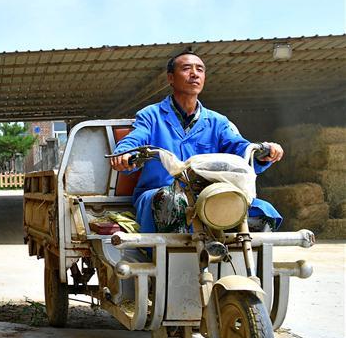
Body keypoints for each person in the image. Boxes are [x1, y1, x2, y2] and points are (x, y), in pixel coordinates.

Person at [109, 51, 284, 233]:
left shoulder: (218, 122)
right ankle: (174, 259)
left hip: (208, 194)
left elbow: (238, 147)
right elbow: (135, 138)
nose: (194, 73)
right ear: (171, 78)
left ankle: (244, 260)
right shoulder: (151, 115)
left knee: (264, 212)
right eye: (186, 68)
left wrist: (263, 153)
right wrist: (125, 153)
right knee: (173, 201)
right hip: (159, 193)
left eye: (200, 69)